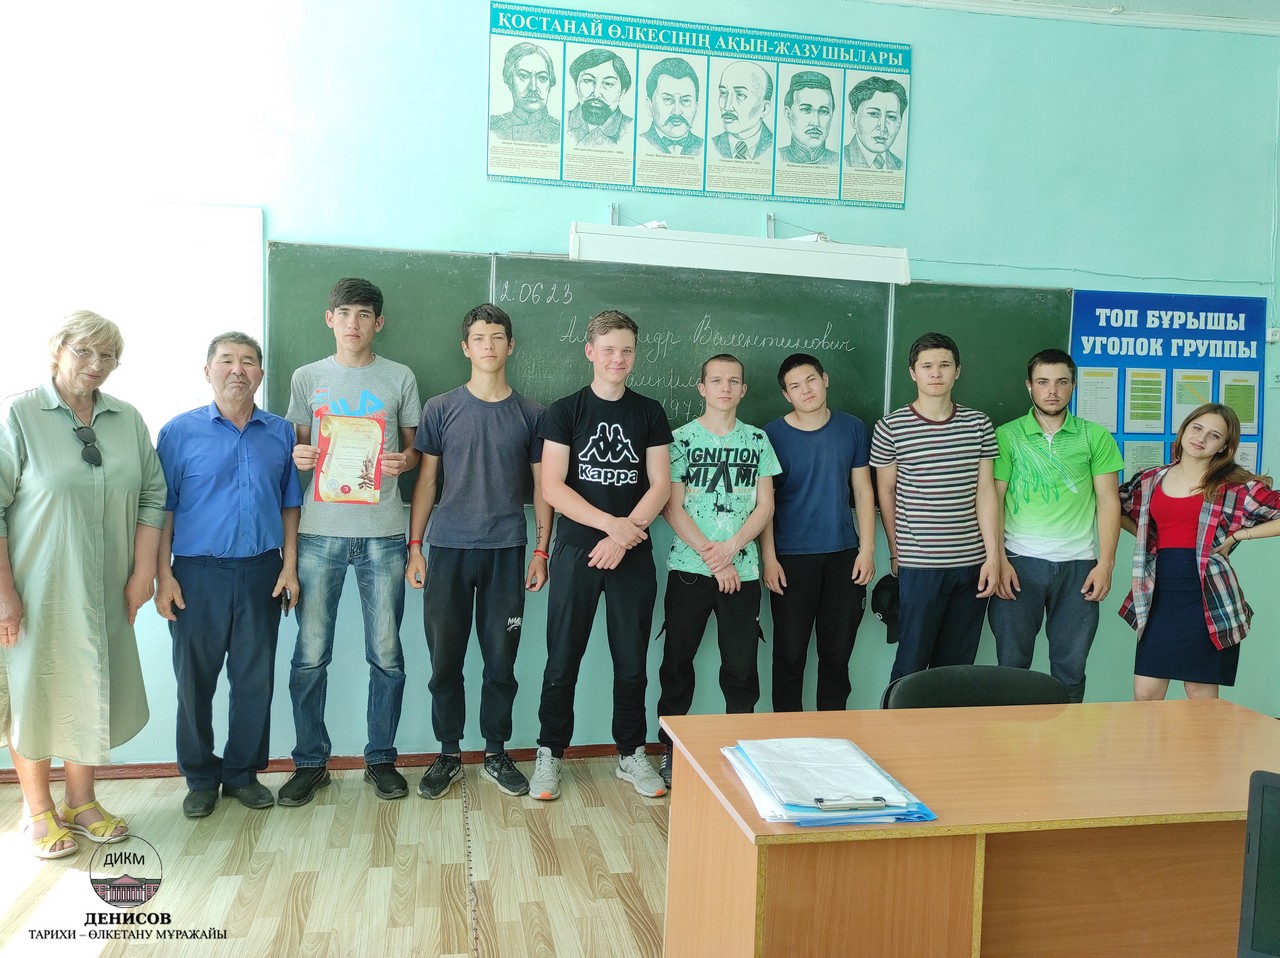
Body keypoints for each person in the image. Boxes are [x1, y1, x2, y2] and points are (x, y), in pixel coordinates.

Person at [0, 311, 165, 858]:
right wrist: (4, 593)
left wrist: (143, 572)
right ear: (58, 350)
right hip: (35, 588)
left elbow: (153, 496)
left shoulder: (127, 419)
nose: (97, 364)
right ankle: (38, 810)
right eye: (85, 351)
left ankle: (81, 802)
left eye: (108, 355)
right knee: (34, 690)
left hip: (106, 587)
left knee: (91, 682)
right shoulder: (20, 414)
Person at [282, 278, 421, 806]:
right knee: (310, 655)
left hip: (383, 534)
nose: (353, 323)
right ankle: (310, 763)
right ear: (329, 319)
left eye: (364, 314)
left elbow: (416, 451)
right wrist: (299, 457)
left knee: (386, 654)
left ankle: (380, 759)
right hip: (318, 532)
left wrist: (404, 461)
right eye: (344, 313)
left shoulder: (400, 377)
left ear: (377, 323)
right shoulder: (306, 377)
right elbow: (296, 450)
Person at [406, 304, 552, 800]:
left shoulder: (532, 414)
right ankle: (448, 754)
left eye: (497, 337)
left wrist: (541, 551)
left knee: (500, 662)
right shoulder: (440, 408)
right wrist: (415, 547)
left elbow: (543, 487)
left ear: (511, 345)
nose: (488, 346)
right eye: (479, 338)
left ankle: (495, 752)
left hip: (506, 551)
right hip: (447, 549)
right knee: (444, 661)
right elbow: (426, 481)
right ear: (465, 348)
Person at [155, 333, 302, 818]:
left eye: (248, 361)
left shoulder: (281, 433)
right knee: (194, 682)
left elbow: (290, 504)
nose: (238, 369)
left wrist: (289, 566)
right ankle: (200, 777)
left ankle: (241, 774)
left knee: (254, 679)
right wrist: (163, 576)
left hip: (263, 571)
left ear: (260, 373)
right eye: (226, 360)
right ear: (208, 371)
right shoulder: (178, 433)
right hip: (195, 575)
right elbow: (162, 509)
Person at [531, 310, 672, 801]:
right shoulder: (564, 410)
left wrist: (623, 536)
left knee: (631, 661)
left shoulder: (649, 411)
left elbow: (660, 485)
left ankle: (631, 753)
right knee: (561, 659)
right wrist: (610, 526)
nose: (618, 358)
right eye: (609, 349)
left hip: (631, 553)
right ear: (590, 351)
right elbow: (552, 486)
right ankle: (550, 753)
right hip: (577, 550)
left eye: (627, 350)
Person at [656, 354, 779, 787]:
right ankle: (670, 750)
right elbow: (671, 507)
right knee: (677, 663)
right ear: (701, 388)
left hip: (743, 573)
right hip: (689, 570)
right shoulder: (679, 440)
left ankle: (740, 751)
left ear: (743, 390)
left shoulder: (758, 440)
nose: (725, 388)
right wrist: (713, 556)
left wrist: (730, 550)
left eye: (733, 381)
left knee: (741, 667)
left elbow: (766, 505)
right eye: (716, 380)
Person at [1119, 403, 1280, 701]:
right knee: (1145, 694)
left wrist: (1240, 535)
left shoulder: (1234, 488)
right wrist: (1145, 536)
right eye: (1197, 428)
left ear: (1224, 447)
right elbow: (1113, 506)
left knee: (1199, 695)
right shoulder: (1150, 479)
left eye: (1214, 435)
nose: (1201, 438)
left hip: (1208, 596)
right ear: (1184, 430)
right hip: (1159, 593)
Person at [987, 349, 1122, 703]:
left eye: (1062, 382)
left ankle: (1065, 736)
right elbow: (993, 500)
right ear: (1029, 386)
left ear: (1073, 385)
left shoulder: (1095, 436)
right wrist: (998, 559)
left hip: (1079, 567)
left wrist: (1106, 565)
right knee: (1012, 667)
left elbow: (1109, 501)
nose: (1052, 391)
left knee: (1070, 669)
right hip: (1019, 564)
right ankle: (1012, 736)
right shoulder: (1007, 435)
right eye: (1043, 382)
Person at [871, 332, 999, 681]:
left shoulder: (978, 424)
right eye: (927, 366)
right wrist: (896, 551)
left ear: (957, 371)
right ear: (913, 373)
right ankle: (896, 718)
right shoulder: (891, 427)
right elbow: (886, 492)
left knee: (956, 669)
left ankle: (949, 721)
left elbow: (985, 491)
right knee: (911, 662)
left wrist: (992, 557)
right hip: (920, 564)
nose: (936, 373)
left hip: (971, 564)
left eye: (944, 365)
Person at [759, 354, 875, 711]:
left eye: (811, 380)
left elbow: (863, 491)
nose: (805, 390)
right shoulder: (770, 435)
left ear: (825, 379)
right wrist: (769, 559)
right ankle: (786, 736)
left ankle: (832, 734)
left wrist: (867, 550)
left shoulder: (852, 428)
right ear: (786, 395)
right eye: (795, 386)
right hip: (791, 559)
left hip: (843, 556)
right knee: (789, 657)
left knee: (837, 658)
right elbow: (765, 504)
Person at [489, 42, 561, 144]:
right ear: (510, 80)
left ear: (550, 84)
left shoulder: (561, 133)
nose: (533, 88)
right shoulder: (493, 128)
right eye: (524, 76)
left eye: (542, 78)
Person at [566, 48, 633, 147]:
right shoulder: (562, 121)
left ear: (622, 93)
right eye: (588, 80)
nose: (596, 93)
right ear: (576, 87)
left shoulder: (631, 129)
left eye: (608, 84)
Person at [639, 57, 703, 156]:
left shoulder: (705, 147)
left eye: (685, 101)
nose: (677, 111)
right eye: (668, 99)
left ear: (696, 108)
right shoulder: (639, 142)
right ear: (649, 106)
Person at [712, 61, 774, 160]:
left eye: (740, 95)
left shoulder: (774, 146)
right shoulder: (711, 144)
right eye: (723, 93)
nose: (727, 106)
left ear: (764, 109)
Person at [844, 76, 907, 170]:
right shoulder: (840, 160)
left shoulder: (901, 166)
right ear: (854, 119)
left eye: (891, 117)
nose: (882, 127)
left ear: (900, 124)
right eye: (873, 114)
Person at [778, 71, 838, 166]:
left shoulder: (839, 160)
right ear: (788, 114)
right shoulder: (777, 156)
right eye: (806, 110)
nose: (815, 122)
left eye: (823, 111)